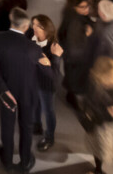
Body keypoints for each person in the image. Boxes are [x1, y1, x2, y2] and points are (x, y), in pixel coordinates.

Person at [0, 8, 43, 173]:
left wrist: (3, 89)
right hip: (28, 92)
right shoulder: (33, 48)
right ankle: (25, 161)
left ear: (11, 20)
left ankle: (7, 160)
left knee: (7, 125)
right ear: (26, 27)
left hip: (7, 91)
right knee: (26, 126)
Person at [32, 14, 64, 152]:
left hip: (47, 86)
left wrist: (54, 59)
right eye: (33, 24)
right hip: (33, 81)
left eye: (38, 26)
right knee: (35, 105)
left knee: (48, 110)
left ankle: (50, 137)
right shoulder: (30, 39)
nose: (34, 27)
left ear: (47, 30)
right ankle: (37, 125)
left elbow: (55, 76)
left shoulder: (53, 47)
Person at [59, 0, 96, 107]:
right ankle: (74, 100)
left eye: (87, 6)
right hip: (77, 60)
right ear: (74, 7)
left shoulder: (71, 14)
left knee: (72, 80)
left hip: (71, 59)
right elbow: (75, 47)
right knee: (76, 81)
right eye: (83, 7)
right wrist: (87, 35)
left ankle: (71, 96)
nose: (87, 9)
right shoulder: (75, 24)